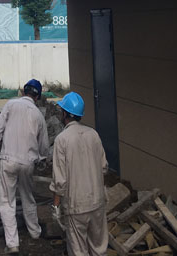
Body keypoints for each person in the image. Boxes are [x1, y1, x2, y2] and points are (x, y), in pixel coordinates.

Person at [0, 78, 49, 254]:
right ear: (37, 97)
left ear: (23, 91)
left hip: (8, 160)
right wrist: (42, 159)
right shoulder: (38, 115)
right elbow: (44, 145)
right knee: (28, 197)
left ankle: (13, 244)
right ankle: (35, 232)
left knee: (7, 202)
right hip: (28, 163)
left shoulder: (11, 105)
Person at [50, 92, 108, 256]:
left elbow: (60, 180)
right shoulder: (93, 134)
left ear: (65, 114)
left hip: (76, 206)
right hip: (97, 202)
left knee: (78, 251)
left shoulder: (62, 139)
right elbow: (104, 167)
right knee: (99, 249)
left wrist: (56, 206)